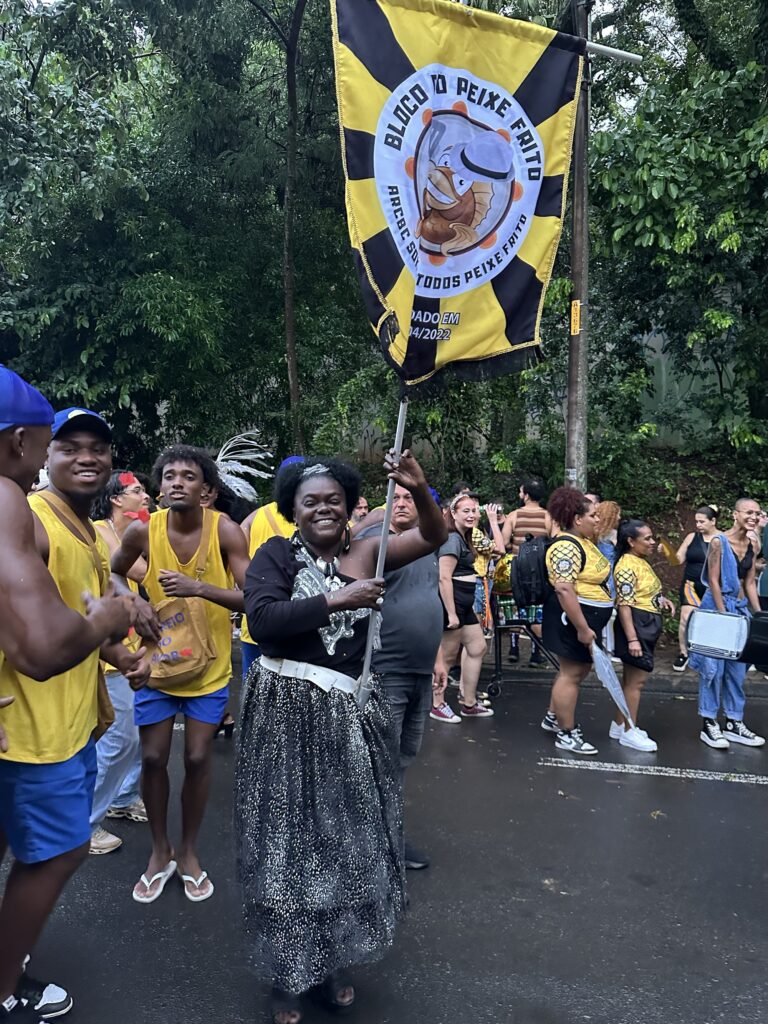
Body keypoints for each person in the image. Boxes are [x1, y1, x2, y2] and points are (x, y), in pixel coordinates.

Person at [236, 450, 445, 1024]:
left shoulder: (369, 552)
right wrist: (336, 598)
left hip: (345, 721)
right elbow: (263, 620)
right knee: (284, 845)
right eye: (311, 502)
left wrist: (420, 488)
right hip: (282, 716)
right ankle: (285, 976)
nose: (323, 508)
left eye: (334, 499)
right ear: (292, 511)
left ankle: (331, 963)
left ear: (352, 507)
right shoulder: (274, 555)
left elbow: (434, 533)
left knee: (344, 843)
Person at [1, 405, 147, 1024]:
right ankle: (3, 986)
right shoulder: (27, 516)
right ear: (36, 451)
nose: (86, 457)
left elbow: (67, 614)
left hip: (63, 721)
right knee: (58, 853)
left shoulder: (86, 532)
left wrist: (115, 649)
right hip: (35, 731)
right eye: (68, 447)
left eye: (98, 448)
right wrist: (111, 619)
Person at [112, 445, 251, 904]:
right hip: (157, 665)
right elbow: (113, 576)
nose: (176, 482)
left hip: (208, 671)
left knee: (195, 758)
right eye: (169, 475)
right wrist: (135, 600)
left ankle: (189, 852)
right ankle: (159, 851)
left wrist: (200, 588)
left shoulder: (225, 530)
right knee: (152, 758)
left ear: (206, 489)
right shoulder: (142, 533)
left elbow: (255, 599)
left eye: (188, 476)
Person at [357, 481, 448, 871]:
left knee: (401, 758)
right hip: (385, 669)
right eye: (398, 497)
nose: (404, 504)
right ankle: (372, 845)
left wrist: (440, 659)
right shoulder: (374, 544)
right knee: (378, 760)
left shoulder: (426, 546)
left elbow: (432, 600)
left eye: (412, 498)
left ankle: (386, 836)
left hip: (420, 671)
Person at [89, 471, 151, 855]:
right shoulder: (97, 531)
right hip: (111, 649)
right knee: (119, 738)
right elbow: (143, 573)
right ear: (115, 499)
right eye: (136, 491)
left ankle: (124, 797)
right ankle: (85, 824)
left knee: (140, 733)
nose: (145, 497)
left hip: (141, 645)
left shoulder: (142, 529)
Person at [540, 487, 613, 755]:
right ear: (576, 518)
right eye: (593, 515)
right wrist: (582, 628)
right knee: (571, 674)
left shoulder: (584, 542)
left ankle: (553, 716)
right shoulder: (565, 547)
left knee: (576, 672)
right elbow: (564, 589)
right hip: (570, 620)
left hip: (583, 620)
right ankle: (566, 733)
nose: (597, 519)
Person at [690, 498, 765, 749]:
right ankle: (709, 721)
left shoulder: (753, 543)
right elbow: (712, 580)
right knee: (713, 669)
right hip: (717, 610)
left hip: (740, 610)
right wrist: (724, 616)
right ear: (735, 514)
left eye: (757, 513)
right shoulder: (718, 542)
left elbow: (750, 582)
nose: (753, 517)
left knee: (737, 669)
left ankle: (734, 721)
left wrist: (759, 614)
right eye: (748, 512)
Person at [612, 520, 676, 752]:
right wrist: (632, 639)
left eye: (652, 537)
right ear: (630, 541)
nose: (652, 542)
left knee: (630, 680)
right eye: (647, 538)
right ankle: (630, 730)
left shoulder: (639, 562)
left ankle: (619, 724)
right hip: (637, 626)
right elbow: (625, 605)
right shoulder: (626, 565)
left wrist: (662, 600)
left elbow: (645, 592)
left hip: (645, 623)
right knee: (636, 682)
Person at [238, 457, 304, 683]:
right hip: (300, 621)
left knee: (254, 691)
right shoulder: (315, 511)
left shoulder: (256, 515)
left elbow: (236, 550)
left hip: (257, 620)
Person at [433, 494, 493, 721]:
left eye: (474, 510)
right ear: (453, 513)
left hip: (465, 604)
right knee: (446, 657)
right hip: (454, 603)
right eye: (465, 511)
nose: (471, 515)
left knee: (477, 647)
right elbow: (443, 577)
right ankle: (437, 703)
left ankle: (469, 702)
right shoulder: (451, 539)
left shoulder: (464, 537)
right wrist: (450, 613)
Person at [502, 478, 553, 665]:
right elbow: (554, 540)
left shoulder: (514, 516)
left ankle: (514, 650)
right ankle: (535, 653)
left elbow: (505, 541)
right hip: (540, 572)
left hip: (517, 569)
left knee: (516, 609)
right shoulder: (548, 516)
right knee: (537, 610)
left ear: (526, 495)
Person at [673, 505, 719, 671]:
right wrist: (667, 551)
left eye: (702, 521)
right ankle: (684, 653)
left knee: (711, 621)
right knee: (686, 618)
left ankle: (708, 653)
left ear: (713, 521)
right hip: (690, 584)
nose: (698, 525)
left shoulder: (722, 539)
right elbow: (678, 559)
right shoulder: (692, 536)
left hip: (712, 586)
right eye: (696, 521)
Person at [595, 500, 621, 659]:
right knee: (611, 612)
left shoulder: (593, 534)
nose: (619, 518)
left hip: (596, 575)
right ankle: (609, 649)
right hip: (610, 575)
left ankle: (601, 645)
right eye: (618, 514)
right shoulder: (613, 535)